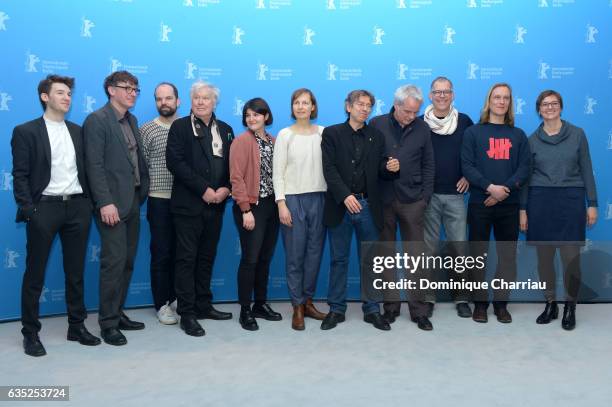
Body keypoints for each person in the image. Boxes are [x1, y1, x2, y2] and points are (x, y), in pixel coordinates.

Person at [11, 75, 99, 356]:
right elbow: (20, 175)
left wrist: (88, 204)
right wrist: (30, 210)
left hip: (77, 207)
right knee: (35, 274)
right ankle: (31, 333)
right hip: (44, 208)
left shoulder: (77, 131)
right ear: (44, 97)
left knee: (75, 273)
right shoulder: (25, 131)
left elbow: (88, 170)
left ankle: (77, 326)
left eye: (69, 94)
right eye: (60, 93)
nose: (67, 97)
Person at [320, 89, 400, 331]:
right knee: (338, 260)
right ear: (348, 106)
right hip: (340, 207)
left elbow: (380, 171)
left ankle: (372, 309)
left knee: (370, 261)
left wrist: (391, 168)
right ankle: (336, 309)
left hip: (368, 206)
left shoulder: (376, 135)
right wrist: (345, 196)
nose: (364, 109)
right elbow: (329, 169)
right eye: (360, 104)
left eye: (368, 106)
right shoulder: (331, 133)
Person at [520, 90, 598, 330]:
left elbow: (587, 169)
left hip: (571, 201)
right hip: (540, 201)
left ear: (561, 107)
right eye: (545, 104)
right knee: (544, 260)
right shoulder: (531, 140)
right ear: (539, 109)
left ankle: (570, 307)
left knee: (570, 260)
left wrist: (592, 203)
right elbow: (525, 178)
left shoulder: (577, 134)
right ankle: (551, 303)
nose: (550, 107)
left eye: (554, 104)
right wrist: (523, 209)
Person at [83, 70, 150, 346]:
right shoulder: (97, 120)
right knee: (113, 263)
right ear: (111, 90)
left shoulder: (131, 120)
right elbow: (94, 166)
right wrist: (104, 202)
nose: (132, 93)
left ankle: (118, 312)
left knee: (127, 261)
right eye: (127, 88)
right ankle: (108, 324)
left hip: (133, 200)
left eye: (136, 89)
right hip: (111, 204)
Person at [166, 81, 235, 337]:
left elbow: (233, 165)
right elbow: (175, 162)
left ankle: (204, 305)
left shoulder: (226, 130)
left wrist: (226, 189)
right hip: (188, 206)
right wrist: (203, 189)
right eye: (196, 97)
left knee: (206, 258)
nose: (201, 101)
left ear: (215, 102)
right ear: (191, 101)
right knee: (186, 259)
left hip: (216, 206)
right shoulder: (180, 126)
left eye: (206, 98)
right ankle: (188, 313)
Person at [461, 82, 530, 324]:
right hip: (480, 204)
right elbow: (467, 166)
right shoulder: (473, 133)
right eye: (497, 97)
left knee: (507, 257)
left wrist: (505, 190)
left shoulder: (518, 135)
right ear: (489, 101)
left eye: (506, 98)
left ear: (510, 103)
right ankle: (480, 304)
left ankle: (501, 305)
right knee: (478, 256)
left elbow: (524, 168)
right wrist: (490, 188)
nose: (501, 102)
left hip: (508, 206)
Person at [370, 84, 435, 331]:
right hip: (384, 200)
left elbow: (429, 164)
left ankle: (419, 311)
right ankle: (390, 309)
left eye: (415, 112)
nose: (411, 116)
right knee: (385, 257)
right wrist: (384, 169)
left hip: (413, 201)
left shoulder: (422, 128)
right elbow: (370, 162)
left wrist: (425, 198)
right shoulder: (376, 124)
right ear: (396, 105)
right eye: (407, 111)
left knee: (416, 259)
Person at [273, 88, 327, 331]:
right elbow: (278, 172)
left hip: (320, 199)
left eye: (306, 103)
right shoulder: (285, 135)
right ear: (292, 107)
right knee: (295, 256)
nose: (301, 107)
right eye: (297, 103)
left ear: (313, 107)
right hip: (293, 200)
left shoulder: (324, 134)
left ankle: (307, 301)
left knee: (314, 254)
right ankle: (296, 306)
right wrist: (281, 203)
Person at [421, 77, 474, 319]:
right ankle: (428, 298)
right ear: (430, 96)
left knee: (459, 249)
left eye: (446, 92)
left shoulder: (464, 122)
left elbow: (475, 154)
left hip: (455, 196)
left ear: (453, 95)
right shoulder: (420, 124)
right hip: (428, 196)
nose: (442, 96)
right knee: (428, 250)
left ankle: (461, 297)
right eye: (437, 92)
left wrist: (469, 177)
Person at [230, 97, 282, 331]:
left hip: (272, 206)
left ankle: (260, 304)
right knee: (250, 259)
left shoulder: (274, 141)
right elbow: (236, 178)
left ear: (266, 117)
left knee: (264, 258)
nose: (251, 119)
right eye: (248, 115)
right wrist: (245, 209)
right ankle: (245, 310)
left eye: (256, 114)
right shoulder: (241, 142)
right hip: (251, 207)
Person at [141, 82, 181, 325]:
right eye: (159, 99)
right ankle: (161, 304)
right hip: (158, 199)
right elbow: (141, 166)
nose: (163, 102)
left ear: (178, 101)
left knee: (181, 253)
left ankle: (176, 298)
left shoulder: (188, 127)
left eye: (168, 98)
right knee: (161, 253)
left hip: (186, 201)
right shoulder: (147, 130)